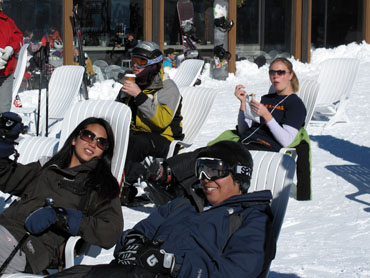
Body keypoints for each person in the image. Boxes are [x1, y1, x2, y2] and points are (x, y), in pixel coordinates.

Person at [47, 140, 276, 278]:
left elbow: (237, 273)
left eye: (214, 171)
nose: (205, 179)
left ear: (239, 175)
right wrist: (132, 244)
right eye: (201, 170)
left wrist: (174, 265)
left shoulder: (252, 219)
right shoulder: (183, 203)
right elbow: (138, 232)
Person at [0, 114, 123, 274]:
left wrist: (62, 216)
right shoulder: (47, 168)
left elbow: (111, 231)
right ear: (74, 139)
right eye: (88, 136)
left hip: (29, 248)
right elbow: (7, 177)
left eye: (101, 142)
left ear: (104, 151)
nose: (93, 143)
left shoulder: (100, 184)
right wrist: (3, 143)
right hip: (4, 229)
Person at [115, 41, 183, 206]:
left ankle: (124, 186)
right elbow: (118, 113)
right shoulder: (133, 84)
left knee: (135, 141)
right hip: (137, 134)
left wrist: (138, 96)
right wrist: (123, 99)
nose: (135, 66)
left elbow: (161, 121)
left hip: (164, 139)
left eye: (142, 62)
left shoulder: (168, 87)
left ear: (154, 65)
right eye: (133, 61)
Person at [235, 57, 306, 152]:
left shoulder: (296, 105)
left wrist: (266, 115)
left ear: (290, 75)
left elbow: (286, 141)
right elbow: (243, 131)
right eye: (272, 72)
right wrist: (243, 103)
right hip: (244, 142)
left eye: (280, 72)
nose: (275, 76)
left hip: (264, 148)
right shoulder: (266, 99)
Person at [0, 0, 23, 113]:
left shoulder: (8, 22)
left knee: (4, 111)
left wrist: (11, 48)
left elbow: (18, 39)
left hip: (5, 73)